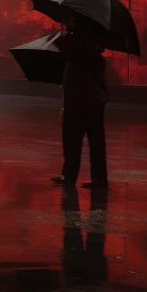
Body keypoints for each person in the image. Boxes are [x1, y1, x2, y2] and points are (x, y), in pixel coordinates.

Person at [50, 16, 109, 189]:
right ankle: (98, 178)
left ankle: (69, 175)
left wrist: (63, 32)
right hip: (93, 101)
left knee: (71, 139)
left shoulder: (77, 47)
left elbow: (60, 47)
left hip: (78, 101)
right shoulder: (94, 50)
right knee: (95, 140)